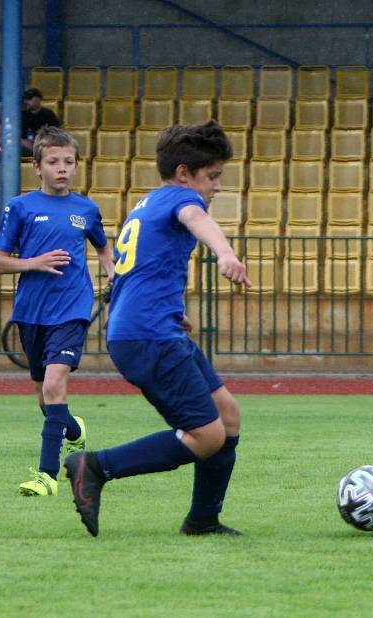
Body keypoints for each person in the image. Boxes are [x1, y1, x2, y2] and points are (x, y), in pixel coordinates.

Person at [63, 121, 251, 538]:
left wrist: (167, 309)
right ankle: (95, 466)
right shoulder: (183, 200)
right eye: (213, 177)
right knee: (206, 436)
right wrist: (224, 253)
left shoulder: (147, 203)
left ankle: (203, 519)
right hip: (148, 335)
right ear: (185, 173)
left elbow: (130, 273)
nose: (217, 187)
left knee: (228, 416)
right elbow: (194, 217)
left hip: (150, 328)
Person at [0, 126, 115, 496]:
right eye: (53, 161)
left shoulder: (86, 209)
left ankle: (47, 475)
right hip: (31, 312)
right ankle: (74, 431)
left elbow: (104, 249)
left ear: (76, 166)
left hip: (72, 308)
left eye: (69, 162)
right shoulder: (20, 207)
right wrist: (34, 262)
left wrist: (116, 277)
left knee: (53, 383)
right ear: (37, 167)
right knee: (45, 398)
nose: (62, 168)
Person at [21, 87, 60, 157]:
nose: (26, 101)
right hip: (27, 148)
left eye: (29, 99)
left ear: (38, 99)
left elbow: (56, 134)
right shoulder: (22, 115)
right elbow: (20, 138)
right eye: (25, 99)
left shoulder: (48, 114)